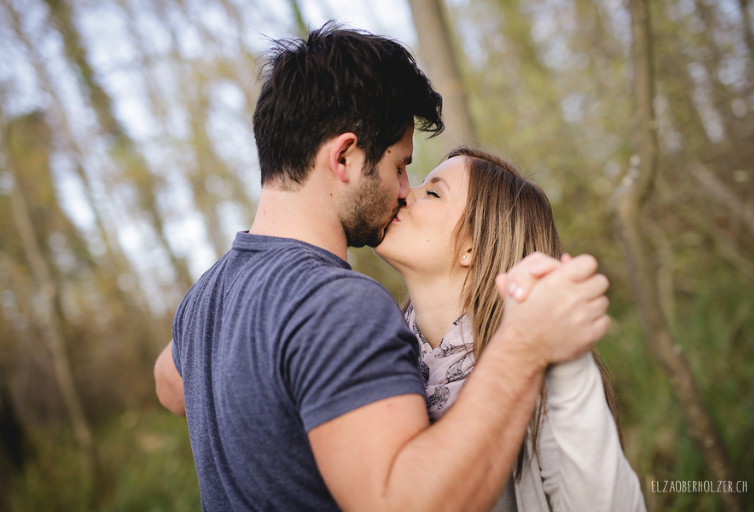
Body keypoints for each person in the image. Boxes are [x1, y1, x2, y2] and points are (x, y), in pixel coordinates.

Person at [154, 24, 612, 512]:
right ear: (345, 157)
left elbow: (170, 385)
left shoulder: (205, 298)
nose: (402, 191)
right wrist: (522, 347)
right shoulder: (339, 303)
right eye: (399, 166)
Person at [373, 147, 645, 511]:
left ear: (472, 244)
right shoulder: (376, 357)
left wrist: (569, 364)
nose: (404, 192)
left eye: (433, 192)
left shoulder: (539, 373)